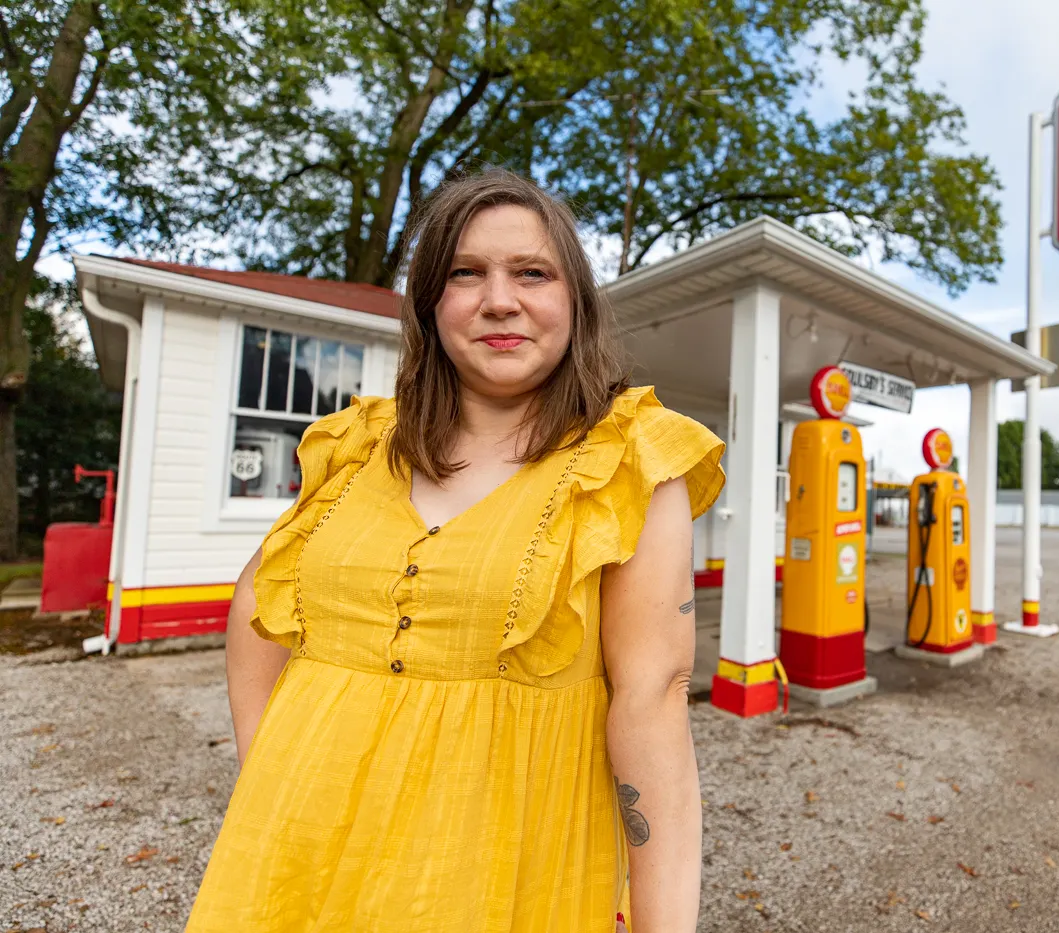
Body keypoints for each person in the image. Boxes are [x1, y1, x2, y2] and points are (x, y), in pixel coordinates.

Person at [186, 169, 725, 932]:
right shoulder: (357, 445)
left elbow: (654, 699)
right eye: (465, 273)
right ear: (433, 303)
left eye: (531, 272)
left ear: (575, 299)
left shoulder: (630, 462)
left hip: (501, 877)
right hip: (295, 864)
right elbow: (258, 604)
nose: (498, 299)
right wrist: (269, 778)